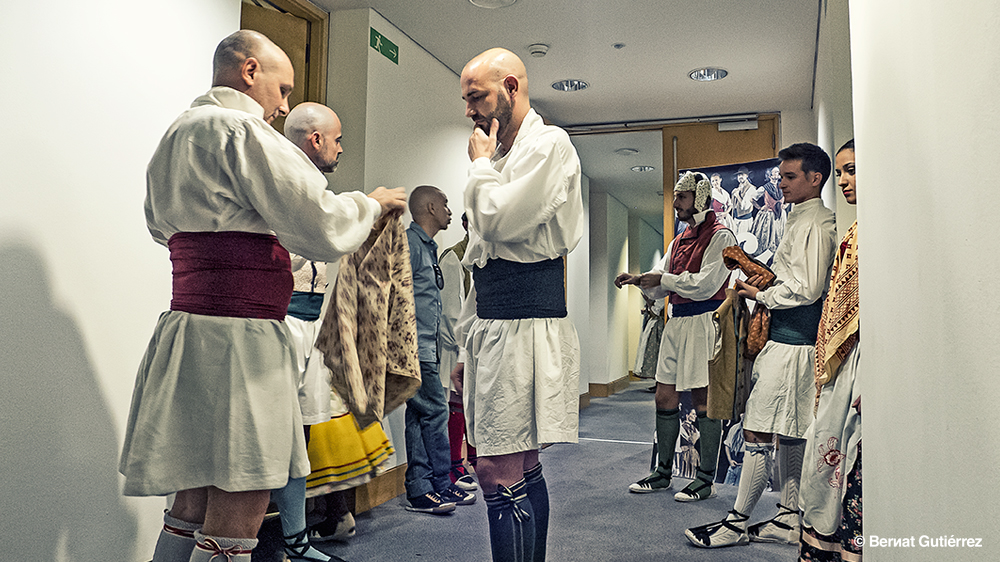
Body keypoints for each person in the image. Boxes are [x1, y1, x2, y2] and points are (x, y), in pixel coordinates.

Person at [118, 30, 406, 562]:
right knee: (243, 491)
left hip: (187, 330)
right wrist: (369, 204)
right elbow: (316, 224)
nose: (284, 105)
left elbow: (161, 228)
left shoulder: (175, 134)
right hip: (241, 341)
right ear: (250, 72)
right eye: (283, 89)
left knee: (191, 496)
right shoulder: (241, 129)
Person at [451, 47, 584, 562]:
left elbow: (497, 223)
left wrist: (480, 168)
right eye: (465, 100)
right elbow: (480, 261)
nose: (470, 111)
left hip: (525, 323)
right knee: (519, 466)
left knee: (496, 471)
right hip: (494, 323)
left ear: (511, 86)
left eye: (476, 97)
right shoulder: (502, 155)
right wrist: (466, 346)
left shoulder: (549, 145)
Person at [685, 142, 837, 549]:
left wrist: (760, 293)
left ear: (814, 178)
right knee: (787, 433)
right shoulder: (803, 220)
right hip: (787, 340)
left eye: (790, 177)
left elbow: (806, 289)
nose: (782, 183)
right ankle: (788, 518)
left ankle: (736, 524)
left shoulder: (816, 224)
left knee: (756, 431)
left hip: (793, 343)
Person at [614, 171, 736, 503]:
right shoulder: (677, 240)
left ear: (699, 198)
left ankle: (705, 478)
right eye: (676, 196)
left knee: (702, 401)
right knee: (663, 396)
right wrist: (641, 282)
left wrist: (660, 279)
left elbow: (706, 285)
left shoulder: (722, 236)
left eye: (682, 197)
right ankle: (662, 473)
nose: (676, 203)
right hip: (677, 322)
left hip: (703, 321)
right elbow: (660, 286)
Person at [798, 139, 862, 562]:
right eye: (840, 172)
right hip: (846, 361)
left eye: (852, 170)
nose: (844, 181)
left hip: (864, 361)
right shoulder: (857, 230)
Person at [403, 185, 476, 514]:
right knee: (436, 411)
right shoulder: (411, 245)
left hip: (426, 347)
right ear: (430, 207)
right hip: (415, 346)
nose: (449, 210)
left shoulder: (427, 247)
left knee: (420, 414)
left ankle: (421, 488)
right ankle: (440, 482)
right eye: (445, 204)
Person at [438, 212, 479, 491]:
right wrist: (463, 349)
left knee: (474, 405)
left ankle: (474, 458)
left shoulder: (486, 253)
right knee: (457, 405)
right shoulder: (454, 257)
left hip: (478, 346)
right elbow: (451, 314)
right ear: (466, 225)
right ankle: (455, 464)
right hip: (457, 346)